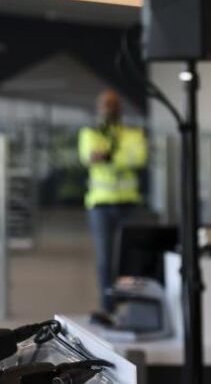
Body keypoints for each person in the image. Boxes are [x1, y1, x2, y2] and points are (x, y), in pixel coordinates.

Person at [78, 89, 148, 312]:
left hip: (128, 203)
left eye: (113, 104)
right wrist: (120, 157)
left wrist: (108, 157)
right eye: (105, 104)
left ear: (120, 107)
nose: (110, 108)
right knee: (105, 260)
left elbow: (138, 158)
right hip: (100, 205)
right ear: (98, 107)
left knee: (130, 257)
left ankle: (129, 305)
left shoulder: (133, 134)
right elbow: (89, 157)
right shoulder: (90, 133)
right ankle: (109, 307)